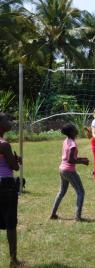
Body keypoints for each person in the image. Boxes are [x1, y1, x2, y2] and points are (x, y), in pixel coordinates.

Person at [50, 123, 89, 221]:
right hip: (69, 171)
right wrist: (82, 162)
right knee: (81, 192)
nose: (77, 129)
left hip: (62, 169)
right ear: (71, 132)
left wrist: (81, 158)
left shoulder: (66, 141)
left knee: (62, 192)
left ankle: (53, 214)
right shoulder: (73, 144)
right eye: (75, 128)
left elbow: (69, 157)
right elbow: (71, 160)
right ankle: (78, 217)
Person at [0, 113, 23, 267]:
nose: (10, 121)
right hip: (5, 185)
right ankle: (13, 260)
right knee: (10, 223)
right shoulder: (4, 144)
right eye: (7, 119)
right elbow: (14, 166)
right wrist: (16, 161)